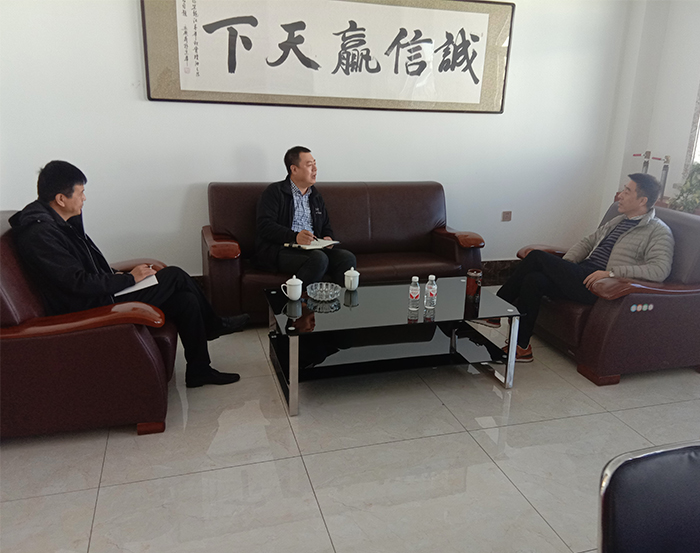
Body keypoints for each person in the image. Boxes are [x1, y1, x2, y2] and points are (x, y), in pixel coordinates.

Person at [9, 160, 250, 388]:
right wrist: (129, 279)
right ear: (61, 199)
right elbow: (76, 282)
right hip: (87, 305)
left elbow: (85, 266)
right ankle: (214, 325)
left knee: (185, 300)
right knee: (175, 275)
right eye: (80, 193)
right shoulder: (41, 234)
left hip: (95, 294)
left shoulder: (58, 223)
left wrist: (118, 275)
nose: (84, 198)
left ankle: (199, 370)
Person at [489, 173, 674, 362]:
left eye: (627, 191)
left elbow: (659, 270)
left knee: (536, 256)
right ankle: (522, 347)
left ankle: (495, 309)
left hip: (601, 286)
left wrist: (611, 274)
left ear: (642, 200)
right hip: (583, 273)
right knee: (533, 280)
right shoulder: (619, 220)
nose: (620, 195)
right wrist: (564, 267)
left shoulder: (658, 231)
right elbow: (587, 242)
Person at [255, 146, 356, 287]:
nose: (315, 169)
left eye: (315, 164)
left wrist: (327, 238)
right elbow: (265, 226)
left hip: (312, 249)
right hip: (281, 249)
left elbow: (326, 225)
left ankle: (337, 299)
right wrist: (295, 237)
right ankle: (293, 299)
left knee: (347, 258)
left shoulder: (315, 196)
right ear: (294, 169)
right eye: (309, 165)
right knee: (318, 259)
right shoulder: (274, 192)